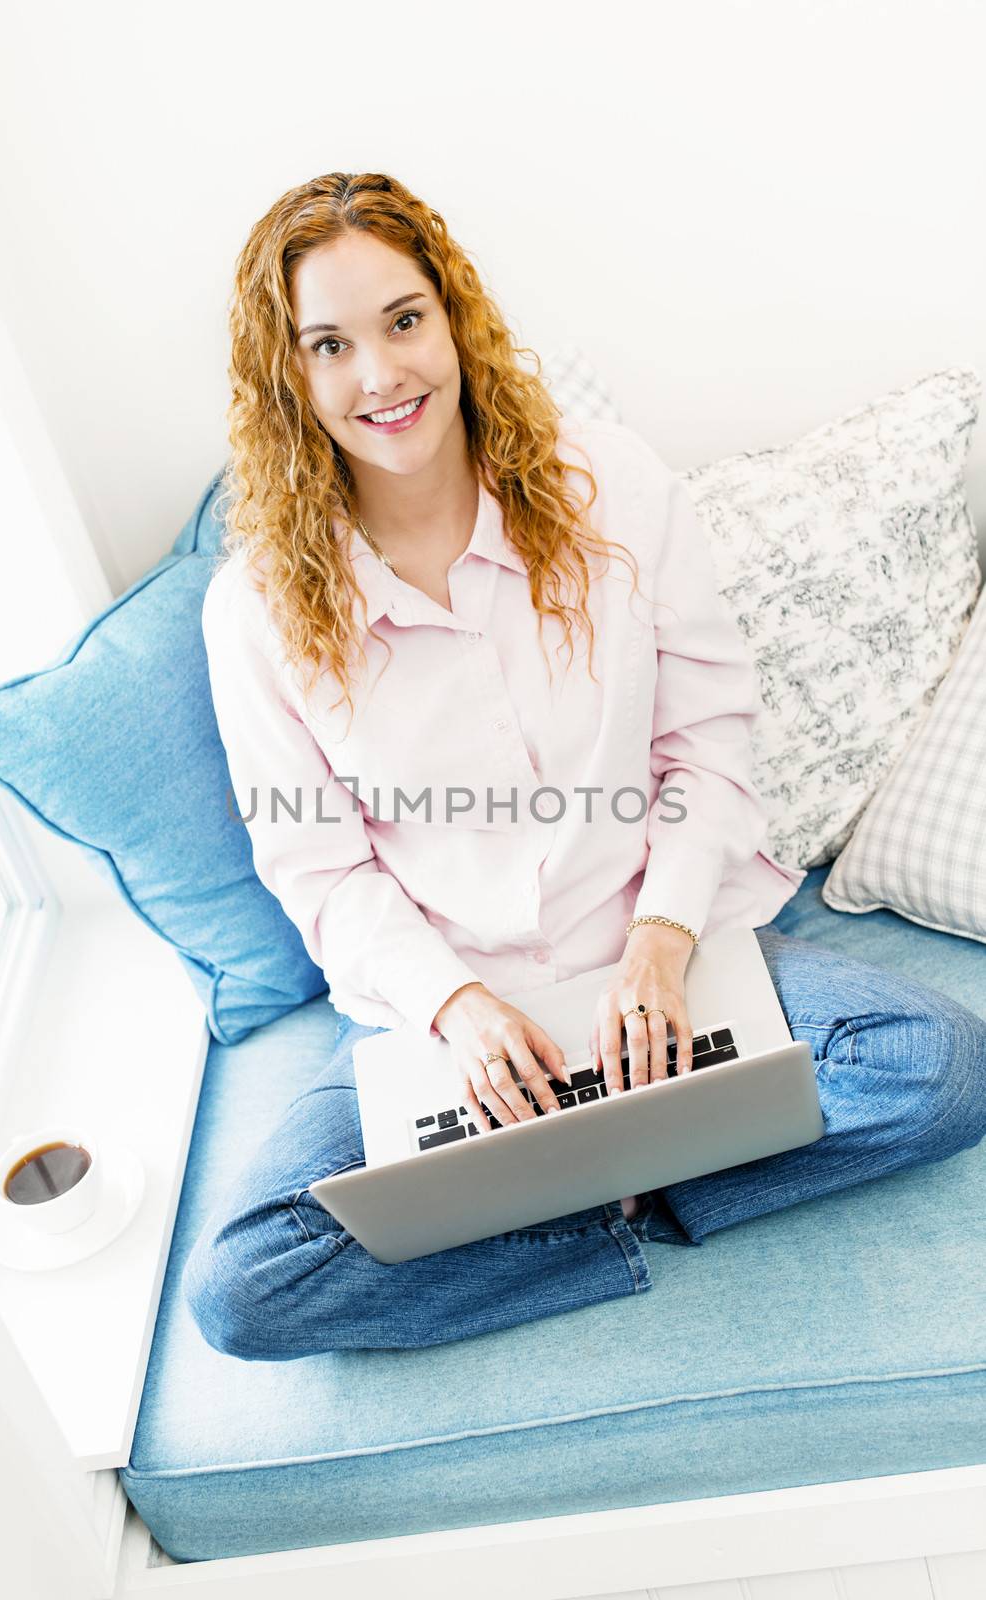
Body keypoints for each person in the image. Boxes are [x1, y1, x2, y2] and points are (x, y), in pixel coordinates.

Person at [183, 171, 986, 1361]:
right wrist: (455, 1009)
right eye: (329, 345)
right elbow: (318, 871)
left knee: (943, 1069)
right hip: (444, 1016)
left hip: (661, 962)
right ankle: (611, 1213)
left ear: (452, 316)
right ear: (287, 377)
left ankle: (607, 1184)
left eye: (404, 321)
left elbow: (705, 737)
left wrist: (661, 944)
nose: (380, 375)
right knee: (244, 1288)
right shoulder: (252, 609)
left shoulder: (607, 484)